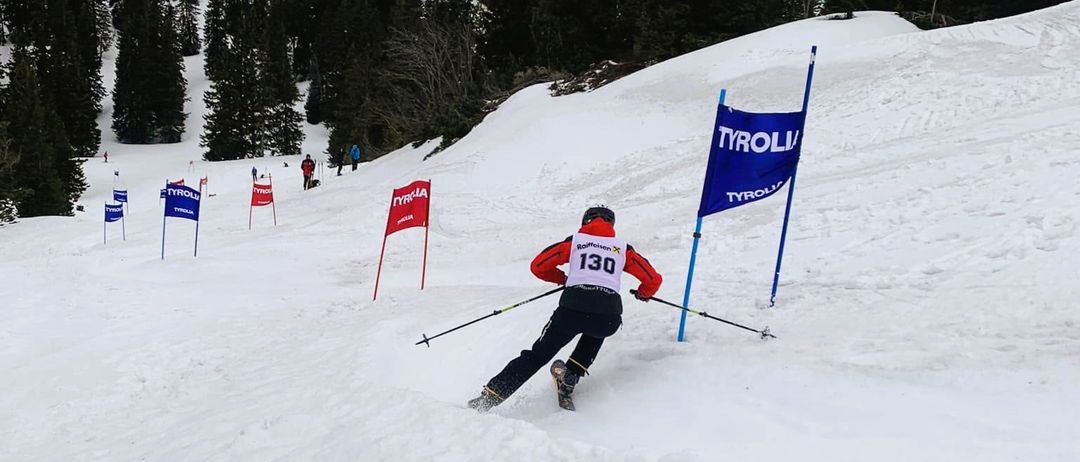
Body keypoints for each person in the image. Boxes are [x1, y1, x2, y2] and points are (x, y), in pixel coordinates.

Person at [467, 206, 662, 412]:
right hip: (608, 315)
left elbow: (538, 266)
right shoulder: (623, 248)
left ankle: (489, 397)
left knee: (537, 356)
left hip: (572, 310)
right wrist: (643, 294)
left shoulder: (576, 242)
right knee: (597, 326)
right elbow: (653, 280)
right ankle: (571, 375)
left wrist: (563, 279)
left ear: (585, 221)